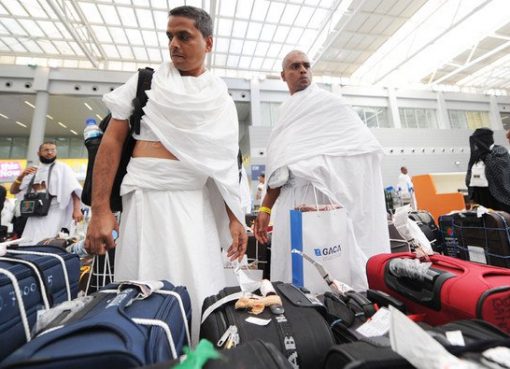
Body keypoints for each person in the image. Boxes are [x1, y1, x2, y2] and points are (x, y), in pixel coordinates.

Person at [85, 6, 247, 341]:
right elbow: (111, 144)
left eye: (184, 36)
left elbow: (225, 164)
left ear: (208, 42)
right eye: (170, 36)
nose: (174, 44)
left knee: (199, 289)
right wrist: (100, 209)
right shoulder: (146, 82)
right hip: (145, 202)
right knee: (140, 289)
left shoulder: (220, 97)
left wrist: (235, 218)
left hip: (195, 207)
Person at [253, 50, 390, 290]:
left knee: (335, 265)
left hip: (331, 201)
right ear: (283, 75)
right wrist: (265, 208)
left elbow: (364, 151)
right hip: (294, 202)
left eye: (306, 65)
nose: (302, 70)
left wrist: (323, 172)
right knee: (299, 270)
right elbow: (280, 169)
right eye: (295, 66)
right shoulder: (288, 111)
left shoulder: (332, 104)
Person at [10, 142, 83, 243]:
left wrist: (76, 209)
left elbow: (74, 190)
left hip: (54, 211)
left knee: (48, 240)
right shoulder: (33, 170)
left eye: (53, 150)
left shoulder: (62, 168)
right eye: (46, 150)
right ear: (38, 153)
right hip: (34, 213)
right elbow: (13, 190)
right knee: (30, 240)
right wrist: (21, 176)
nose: (50, 152)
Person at [466, 128, 510, 213]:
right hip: (480, 195)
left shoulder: (500, 151)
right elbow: (470, 172)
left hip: (497, 195)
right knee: (486, 222)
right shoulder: (476, 156)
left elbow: (499, 170)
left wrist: (485, 155)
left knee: (501, 220)